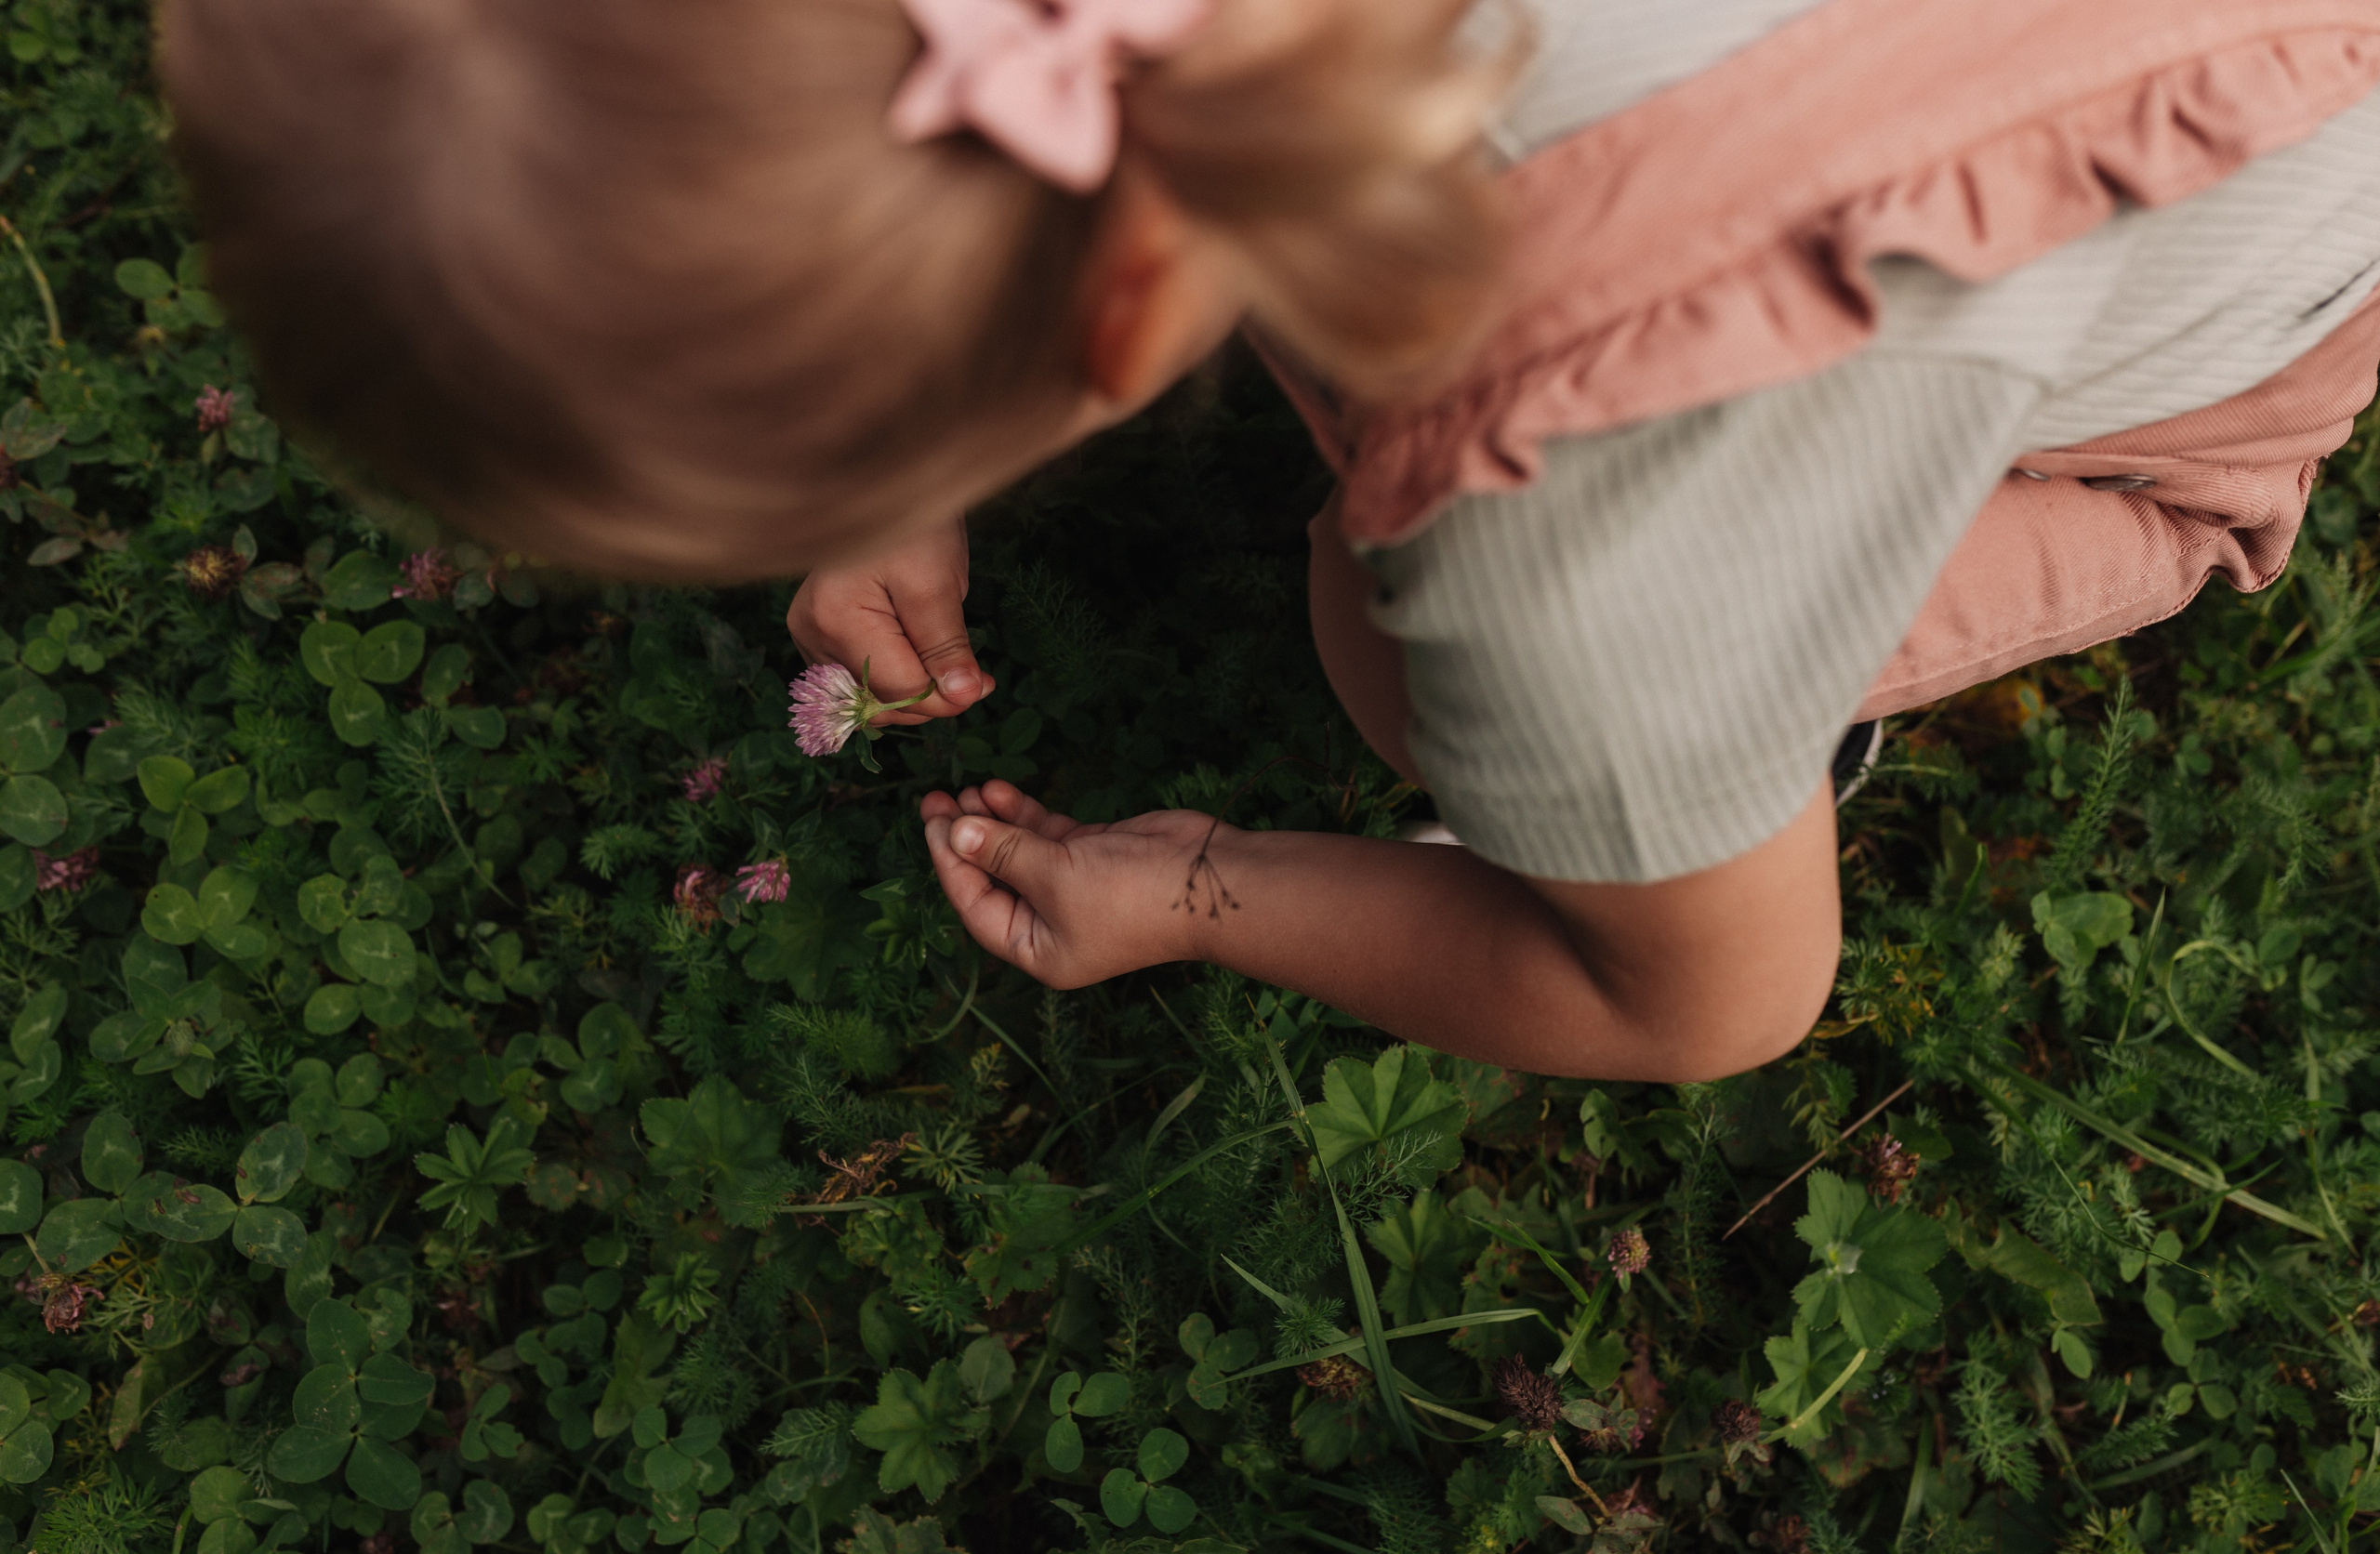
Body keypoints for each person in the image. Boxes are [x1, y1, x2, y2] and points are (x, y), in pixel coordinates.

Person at [159, 0, 2380, 1078]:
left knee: (1389, 641)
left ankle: (2188, 498)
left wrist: (1207, 886)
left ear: (1120, 312)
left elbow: (1701, 1001)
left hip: (2239, 219)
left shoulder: (1558, 507)